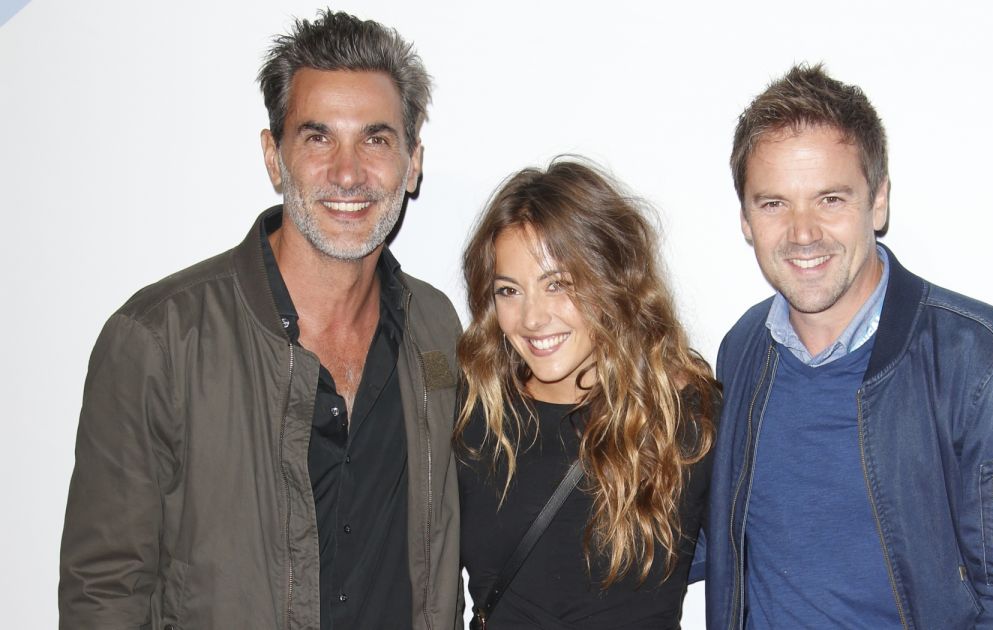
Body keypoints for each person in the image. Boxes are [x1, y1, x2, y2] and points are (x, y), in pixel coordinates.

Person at [59, 11, 462, 630]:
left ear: (411, 164)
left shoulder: (435, 329)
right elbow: (105, 591)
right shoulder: (160, 339)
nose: (349, 173)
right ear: (274, 158)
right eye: (318, 137)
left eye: (376, 138)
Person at [699, 64, 993, 628]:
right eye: (773, 203)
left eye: (830, 199)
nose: (802, 232)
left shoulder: (982, 363)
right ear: (744, 218)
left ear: (877, 202)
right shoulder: (742, 352)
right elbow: (710, 540)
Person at [456, 159, 718, 629]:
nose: (532, 318)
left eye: (557, 285)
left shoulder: (686, 416)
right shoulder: (475, 414)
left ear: (612, 279)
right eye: (509, 291)